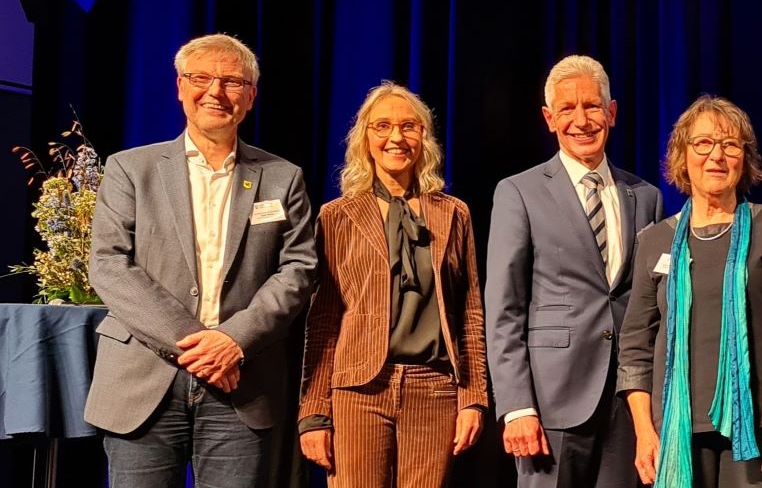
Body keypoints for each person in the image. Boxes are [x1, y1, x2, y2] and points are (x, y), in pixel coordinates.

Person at [86, 33, 318, 486]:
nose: (215, 91)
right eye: (201, 78)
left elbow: (299, 269)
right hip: (143, 380)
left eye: (232, 81)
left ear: (250, 96)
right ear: (179, 87)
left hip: (243, 383)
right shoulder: (131, 168)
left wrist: (234, 341)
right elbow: (111, 264)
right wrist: (204, 346)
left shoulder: (282, 177)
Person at [297, 82, 490, 486]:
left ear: (424, 137)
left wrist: (473, 397)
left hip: (434, 389)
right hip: (359, 388)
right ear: (365, 138)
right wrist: (314, 411)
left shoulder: (453, 213)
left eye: (409, 127)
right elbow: (324, 319)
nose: (396, 138)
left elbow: (470, 311)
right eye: (382, 126)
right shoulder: (338, 216)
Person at [486, 54, 664, 487]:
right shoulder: (518, 193)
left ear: (612, 112)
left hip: (628, 402)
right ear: (549, 118)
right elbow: (504, 307)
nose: (581, 120)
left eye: (592, 106)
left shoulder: (646, 196)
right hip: (550, 404)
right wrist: (517, 407)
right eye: (567, 109)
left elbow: (650, 307)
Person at [617, 96, 762, 487]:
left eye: (730, 144)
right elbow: (635, 344)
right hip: (675, 431)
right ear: (683, 155)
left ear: (745, 158)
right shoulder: (655, 240)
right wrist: (644, 431)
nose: (716, 156)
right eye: (703, 143)